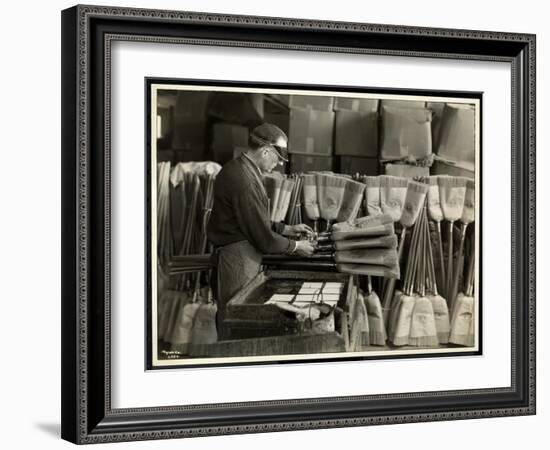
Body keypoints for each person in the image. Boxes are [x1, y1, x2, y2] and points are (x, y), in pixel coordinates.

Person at [207, 123, 315, 338]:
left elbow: (253, 219)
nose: (278, 166)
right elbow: (263, 238)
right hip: (238, 258)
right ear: (265, 151)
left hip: (243, 252)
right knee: (237, 318)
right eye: (277, 159)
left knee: (241, 316)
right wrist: (296, 246)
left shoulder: (243, 169)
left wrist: (287, 229)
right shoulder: (243, 180)